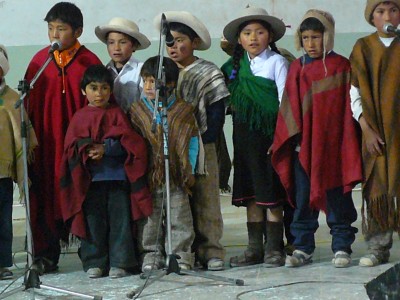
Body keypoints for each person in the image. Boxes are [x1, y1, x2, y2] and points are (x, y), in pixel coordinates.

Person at [271, 9, 362, 268]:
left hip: (334, 148)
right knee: (302, 200)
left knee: (337, 197)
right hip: (304, 149)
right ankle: (302, 246)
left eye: (317, 37)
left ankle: (342, 244)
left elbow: (347, 109)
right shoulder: (298, 68)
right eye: (306, 38)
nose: (311, 44)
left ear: (328, 37)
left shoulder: (342, 66)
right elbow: (289, 108)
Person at [24, 2, 102, 273]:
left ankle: (92, 256)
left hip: (77, 148)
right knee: (44, 196)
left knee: (84, 194)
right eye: (50, 29)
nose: (55, 35)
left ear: (78, 31)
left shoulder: (89, 62)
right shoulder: (38, 63)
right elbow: (29, 108)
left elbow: (101, 107)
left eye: (61, 29)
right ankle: (45, 255)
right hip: (47, 146)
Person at [59, 64, 152, 278]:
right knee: (93, 222)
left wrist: (106, 148)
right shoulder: (79, 117)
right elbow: (70, 147)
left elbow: (131, 143)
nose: (99, 94)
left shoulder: (117, 113)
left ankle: (120, 262)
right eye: (93, 88)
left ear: (111, 90)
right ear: (84, 91)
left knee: (120, 221)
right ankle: (94, 261)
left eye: (104, 88)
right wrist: (86, 149)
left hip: (117, 177)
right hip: (90, 181)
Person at [154, 11, 229, 271]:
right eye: (170, 42)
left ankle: (212, 250)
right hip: (173, 148)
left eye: (180, 40)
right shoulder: (162, 72)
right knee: (179, 202)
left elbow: (218, 110)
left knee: (206, 199)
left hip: (203, 145)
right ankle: (185, 252)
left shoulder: (208, 72)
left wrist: (206, 139)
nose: (174, 47)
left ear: (195, 42)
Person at [221, 6, 289, 268]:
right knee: (251, 194)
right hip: (244, 140)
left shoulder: (277, 62)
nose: (253, 38)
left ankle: (274, 248)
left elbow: (285, 104)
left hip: (270, 139)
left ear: (269, 36)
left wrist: (281, 138)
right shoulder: (232, 68)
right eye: (247, 33)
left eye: (259, 32)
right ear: (239, 40)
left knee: (270, 193)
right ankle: (254, 249)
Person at [130, 56, 199, 272]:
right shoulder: (137, 111)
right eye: (146, 81)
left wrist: (190, 167)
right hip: (149, 174)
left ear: (170, 84)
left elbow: (192, 139)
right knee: (150, 217)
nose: (149, 87)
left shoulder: (183, 109)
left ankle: (180, 254)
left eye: (154, 82)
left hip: (177, 174)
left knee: (179, 215)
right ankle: (151, 254)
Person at [349, 0, 400, 267]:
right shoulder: (363, 48)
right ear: (372, 17)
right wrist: (366, 128)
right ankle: (378, 247)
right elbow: (354, 92)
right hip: (376, 130)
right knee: (378, 185)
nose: (388, 16)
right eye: (380, 12)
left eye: (393, 10)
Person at [0, 45, 37, 280]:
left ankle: (2, 263)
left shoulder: (12, 98)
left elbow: (21, 136)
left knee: (2, 220)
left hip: (1, 173)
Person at [95, 17, 151, 113]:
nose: (116, 48)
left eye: (123, 42)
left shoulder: (142, 70)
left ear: (134, 45)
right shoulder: (105, 71)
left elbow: (146, 102)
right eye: (111, 42)